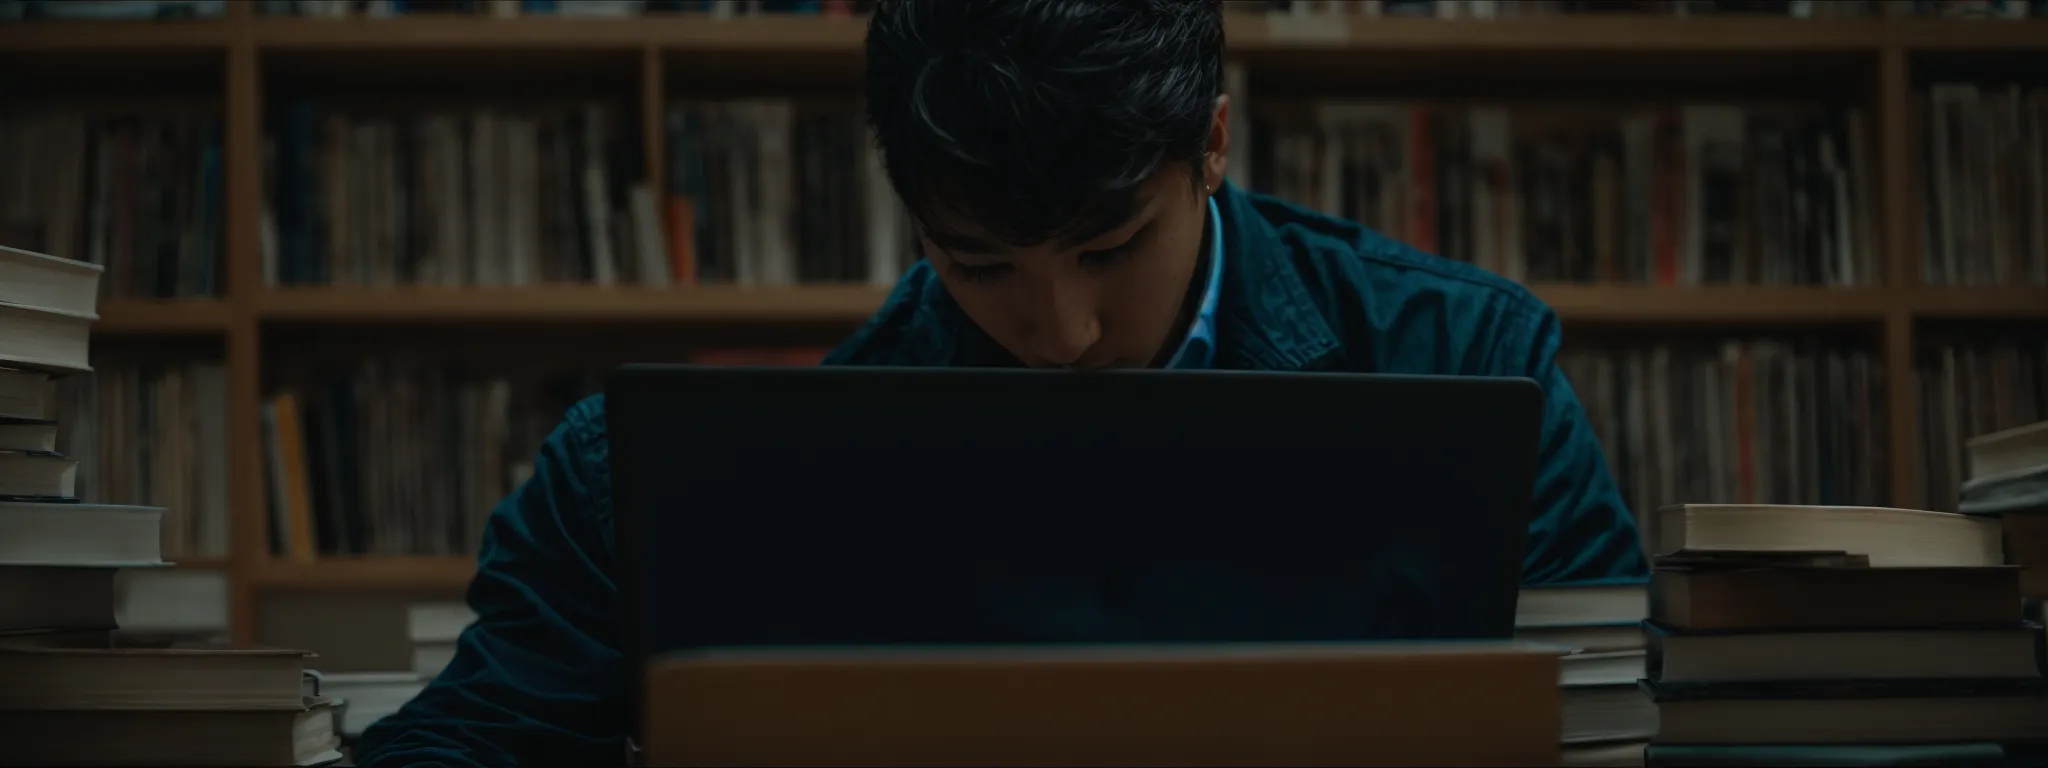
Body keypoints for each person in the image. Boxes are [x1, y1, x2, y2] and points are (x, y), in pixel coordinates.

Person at [353, 1, 1647, 765]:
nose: (1062, 330)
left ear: (1210, 144)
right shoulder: (654, 481)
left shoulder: (1472, 369)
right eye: (980, 263)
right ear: (911, 214)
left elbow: (1639, 734)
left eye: (1109, 250)